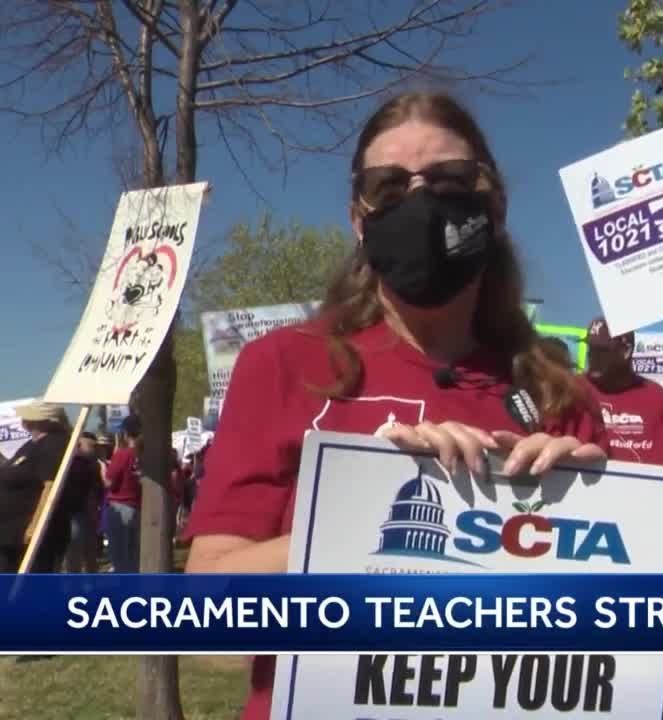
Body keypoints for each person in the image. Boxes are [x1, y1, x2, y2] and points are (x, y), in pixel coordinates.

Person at [182, 91, 606, 720]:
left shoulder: (558, 394)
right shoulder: (284, 365)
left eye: (447, 179)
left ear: (494, 205)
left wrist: (596, 515)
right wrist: (362, 521)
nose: (418, 199)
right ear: (359, 218)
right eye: (387, 186)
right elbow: (205, 621)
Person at [0, 402, 80, 573]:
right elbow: (8, 470)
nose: (23, 420)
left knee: (33, 591)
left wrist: (34, 527)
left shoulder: (53, 444)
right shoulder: (33, 444)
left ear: (42, 421)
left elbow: (50, 487)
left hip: (29, 538)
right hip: (10, 537)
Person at [583, 316, 663, 463]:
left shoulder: (659, 399)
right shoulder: (572, 390)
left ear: (626, 351)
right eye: (591, 348)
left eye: (602, 350)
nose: (593, 356)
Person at [104, 415, 143, 573]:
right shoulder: (143, 455)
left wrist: (102, 469)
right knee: (133, 554)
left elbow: (109, 483)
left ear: (126, 433)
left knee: (119, 555)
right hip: (136, 507)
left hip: (119, 507)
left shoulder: (122, 454)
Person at [65, 432, 104, 573]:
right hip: (74, 512)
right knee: (74, 550)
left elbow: (99, 487)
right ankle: (74, 582)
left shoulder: (93, 464)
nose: (93, 449)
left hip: (88, 510)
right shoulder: (70, 464)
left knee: (90, 549)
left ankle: (91, 579)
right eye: (90, 446)